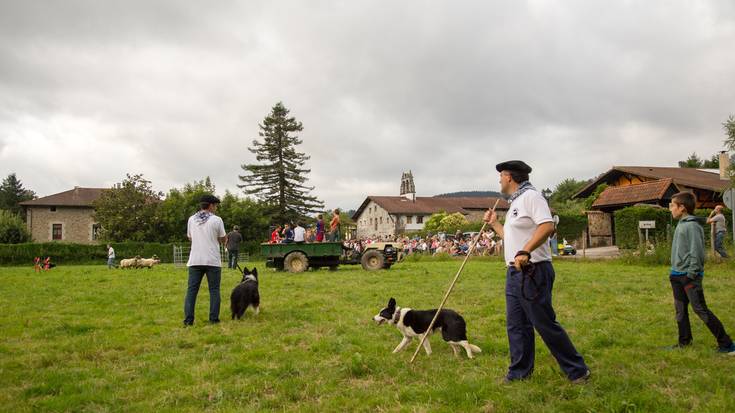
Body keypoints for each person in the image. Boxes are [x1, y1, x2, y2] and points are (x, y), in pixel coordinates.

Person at [484, 160, 590, 384]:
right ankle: (519, 373)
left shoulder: (532, 197)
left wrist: (526, 251)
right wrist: (495, 225)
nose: (499, 180)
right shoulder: (515, 203)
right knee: (517, 325)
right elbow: (512, 240)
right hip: (514, 272)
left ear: (510, 177)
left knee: (544, 323)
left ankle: (578, 370)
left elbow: (547, 225)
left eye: (501, 176)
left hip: (533, 270)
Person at [668, 192, 735, 354]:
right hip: (676, 275)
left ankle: (727, 344)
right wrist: (674, 273)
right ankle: (684, 342)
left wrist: (690, 275)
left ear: (682, 207)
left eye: (672, 205)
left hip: (689, 277)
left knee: (700, 309)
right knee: (680, 310)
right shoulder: (684, 223)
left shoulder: (691, 226)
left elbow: (697, 253)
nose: (670, 208)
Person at [183, 194, 226, 326]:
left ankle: (188, 320)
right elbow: (223, 238)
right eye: (216, 206)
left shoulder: (191, 219)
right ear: (211, 206)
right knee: (214, 290)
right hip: (212, 260)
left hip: (195, 259)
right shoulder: (217, 220)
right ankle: (213, 319)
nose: (216, 208)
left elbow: (190, 237)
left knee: (191, 291)